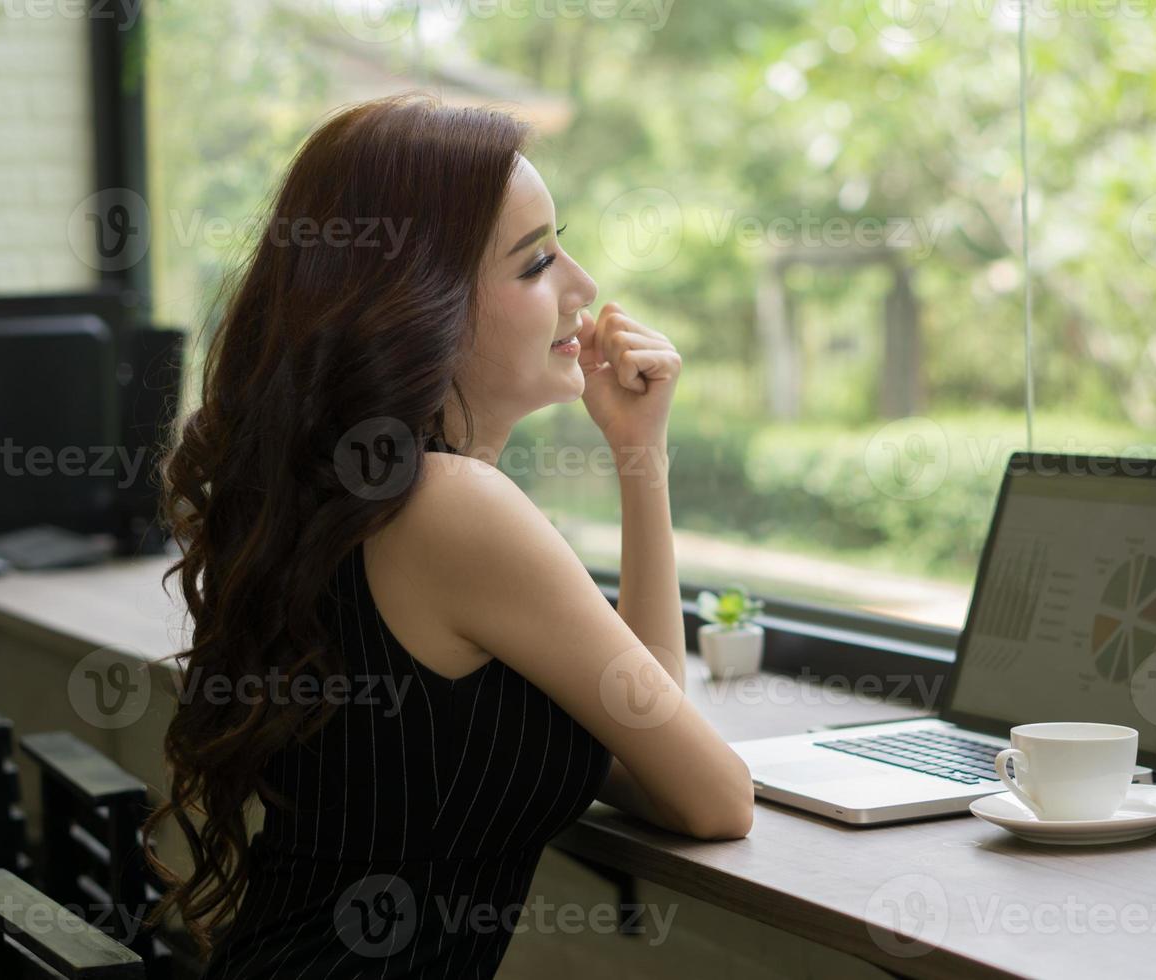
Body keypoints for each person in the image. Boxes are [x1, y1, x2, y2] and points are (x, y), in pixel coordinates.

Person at [146, 93, 754, 979]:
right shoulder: (454, 505)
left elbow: (650, 733)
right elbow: (716, 797)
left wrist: (638, 452)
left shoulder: (346, 492)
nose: (583, 288)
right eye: (536, 262)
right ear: (416, 304)